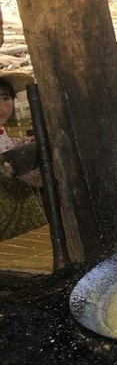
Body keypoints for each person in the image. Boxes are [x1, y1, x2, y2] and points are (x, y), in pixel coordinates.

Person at [0, 72, 47, 241]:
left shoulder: (2, 132)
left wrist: (27, 142)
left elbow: (10, 144)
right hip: (8, 229)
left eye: (5, 98)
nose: (0, 106)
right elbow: (38, 178)